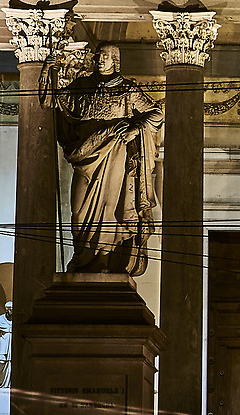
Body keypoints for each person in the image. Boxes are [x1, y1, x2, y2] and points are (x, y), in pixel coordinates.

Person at [55, 45, 164, 275]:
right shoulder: (81, 86)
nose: (99, 60)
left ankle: (104, 259)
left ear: (115, 60)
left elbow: (156, 113)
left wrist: (136, 129)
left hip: (114, 154)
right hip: (85, 155)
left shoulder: (127, 89)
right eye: (98, 56)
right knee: (78, 211)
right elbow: (59, 105)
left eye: (104, 57)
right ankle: (82, 257)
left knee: (108, 208)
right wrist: (49, 76)